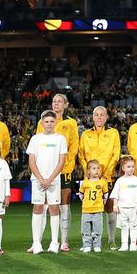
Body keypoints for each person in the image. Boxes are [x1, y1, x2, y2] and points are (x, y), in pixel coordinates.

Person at [37, 93, 80, 252]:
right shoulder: (43, 122)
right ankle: (37, 241)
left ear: (66, 105)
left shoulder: (71, 123)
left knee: (63, 204)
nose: (56, 104)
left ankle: (64, 240)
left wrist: (66, 164)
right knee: (42, 205)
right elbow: (38, 143)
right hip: (46, 170)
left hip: (64, 169)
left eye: (59, 101)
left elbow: (74, 145)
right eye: (54, 101)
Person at [77, 106, 121, 244]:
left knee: (108, 207)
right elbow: (81, 155)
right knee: (90, 208)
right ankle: (90, 240)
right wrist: (88, 173)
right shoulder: (85, 134)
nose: (99, 117)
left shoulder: (113, 133)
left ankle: (111, 238)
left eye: (102, 115)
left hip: (106, 177)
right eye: (97, 115)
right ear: (93, 117)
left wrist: (106, 174)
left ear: (106, 117)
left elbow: (116, 154)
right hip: (90, 180)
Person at [27, 110, 68, 254]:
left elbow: (61, 162)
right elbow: (31, 162)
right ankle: (36, 243)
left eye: (52, 121)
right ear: (41, 123)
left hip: (54, 180)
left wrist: (49, 179)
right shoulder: (35, 139)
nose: (49, 124)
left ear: (56, 122)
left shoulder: (61, 139)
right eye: (46, 122)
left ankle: (54, 242)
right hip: (38, 180)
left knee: (54, 209)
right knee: (37, 208)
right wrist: (41, 179)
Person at [111, 156, 137, 251]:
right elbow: (115, 195)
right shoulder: (120, 181)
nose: (131, 169)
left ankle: (133, 244)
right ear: (123, 168)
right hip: (122, 208)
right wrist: (115, 205)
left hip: (134, 208)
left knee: (134, 227)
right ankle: (124, 244)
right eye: (128, 167)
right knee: (124, 227)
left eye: (133, 166)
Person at [78, 160, 108, 253]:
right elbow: (81, 194)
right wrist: (85, 203)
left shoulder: (102, 182)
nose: (96, 170)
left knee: (97, 228)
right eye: (94, 168)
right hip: (86, 210)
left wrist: (102, 203)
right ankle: (87, 244)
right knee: (85, 228)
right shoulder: (85, 182)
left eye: (98, 168)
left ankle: (97, 244)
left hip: (98, 210)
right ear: (88, 171)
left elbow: (106, 194)